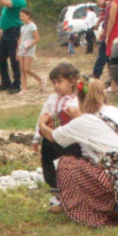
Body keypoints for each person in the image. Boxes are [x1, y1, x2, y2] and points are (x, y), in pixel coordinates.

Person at [37, 77, 118, 228]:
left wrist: (42, 124)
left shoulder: (85, 120)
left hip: (115, 182)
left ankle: (89, 206)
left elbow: (52, 136)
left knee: (67, 163)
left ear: (81, 100)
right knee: (84, 152)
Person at [32, 62, 83, 210]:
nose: (56, 86)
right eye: (54, 83)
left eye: (60, 82)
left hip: (72, 141)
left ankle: (72, 194)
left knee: (70, 164)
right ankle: (57, 191)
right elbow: (43, 117)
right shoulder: (51, 100)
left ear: (72, 81)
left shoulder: (77, 100)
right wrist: (37, 137)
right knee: (48, 158)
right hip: (53, 138)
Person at [92, 0, 117, 76]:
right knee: (107, 54)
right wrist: (98, 23)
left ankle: (96, 76)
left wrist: (103, 3)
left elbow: (116, 4)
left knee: (104, 52)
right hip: (105, 23)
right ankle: (113, 78)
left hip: (111, 25)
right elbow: (104, 12)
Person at [17, 9, 44, 91]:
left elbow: (37, 38)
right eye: (20, 16)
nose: (21, 18)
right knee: (21, 68)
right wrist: (18, 50)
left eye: (23, 16)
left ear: (28, 16)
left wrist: (30, 44)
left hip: (29, 49)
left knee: (26, 69)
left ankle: (40, 80)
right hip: (22, 48)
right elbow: (21, 38)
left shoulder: (32, 26)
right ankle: (24, 88)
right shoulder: (22, 27)